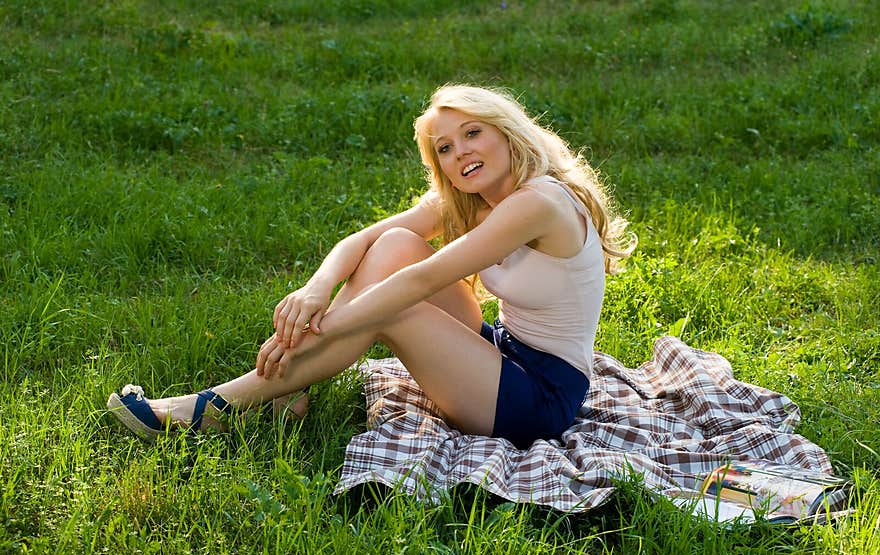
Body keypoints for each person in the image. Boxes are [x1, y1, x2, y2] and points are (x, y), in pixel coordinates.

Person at [107, 83, 636, 449]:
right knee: (395, 245)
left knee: (396, 307)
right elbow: (364, 240)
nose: (461, 154)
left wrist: (322, 326)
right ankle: (288, 387)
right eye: (446, 148)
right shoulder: (475, 198)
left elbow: (423, 281)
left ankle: (208, 409)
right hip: (504, 351)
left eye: (473, 134)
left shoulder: (538, 201)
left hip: (541, 399)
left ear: (506, 130)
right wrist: (316, 290)